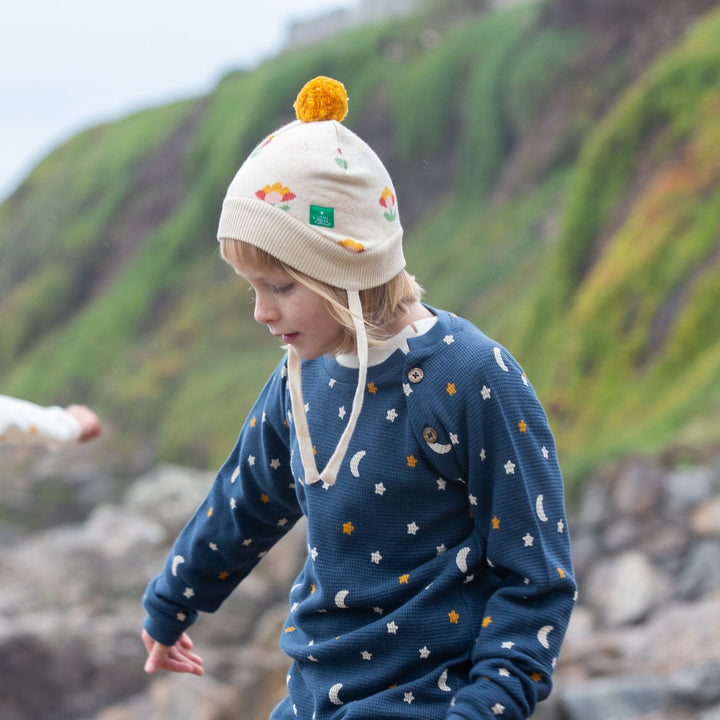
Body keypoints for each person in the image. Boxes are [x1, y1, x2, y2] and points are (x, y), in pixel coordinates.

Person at [141, 76, 576, 719]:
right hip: (311, 698)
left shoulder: (471, 376)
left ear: (345, 268)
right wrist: (172, 599)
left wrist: (487, 706)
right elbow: (245, 499)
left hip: (431, 703)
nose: (261, 312)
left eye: (280, 286)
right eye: (251, 288)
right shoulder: (299, 377)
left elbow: (534, 576)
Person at [0, 394, 102, 445]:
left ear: (84, 425)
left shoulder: (63, 429)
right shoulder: (60, 430)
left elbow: (17, 417)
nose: (85, 407)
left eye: (87, 412)